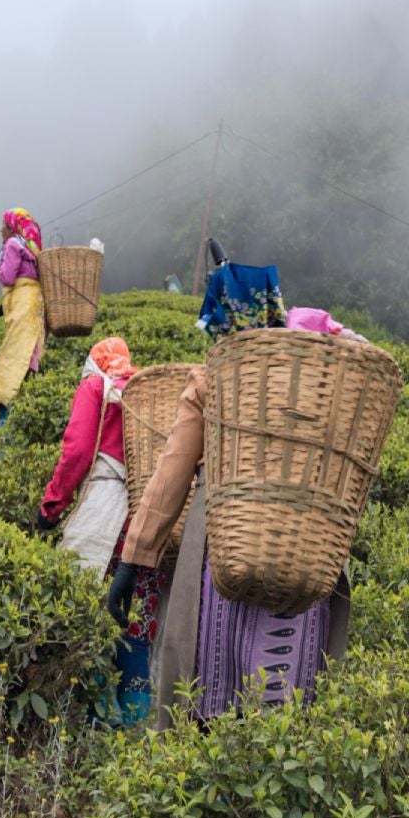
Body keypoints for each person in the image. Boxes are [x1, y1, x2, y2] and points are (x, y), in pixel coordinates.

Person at [108, 266, 354, 725]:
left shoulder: (214, 377)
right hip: (303, 549)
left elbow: (172, 471)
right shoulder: (326, 379)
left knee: (208, 682)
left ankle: (205, 776)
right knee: (282, 698)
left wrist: (133, 558)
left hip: (223, 538)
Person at [36, 336, 162, 728]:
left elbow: (76, 453)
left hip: (108, 511)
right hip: (150, 513)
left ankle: (95, 716)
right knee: (136, 613)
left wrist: (51, 507)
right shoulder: (147, 393)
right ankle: (135, 722)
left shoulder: (96, 388)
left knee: (94, 605)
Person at [0, 208, 45, 423]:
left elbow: (8, 276)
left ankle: (5, 414)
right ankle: (24, 411)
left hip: (22, 306)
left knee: (10, 357)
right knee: (28, 355)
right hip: (32, 305)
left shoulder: (12, 244)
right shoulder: (30, 248)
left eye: (3, 224)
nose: (0, 229)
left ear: (11, 227)